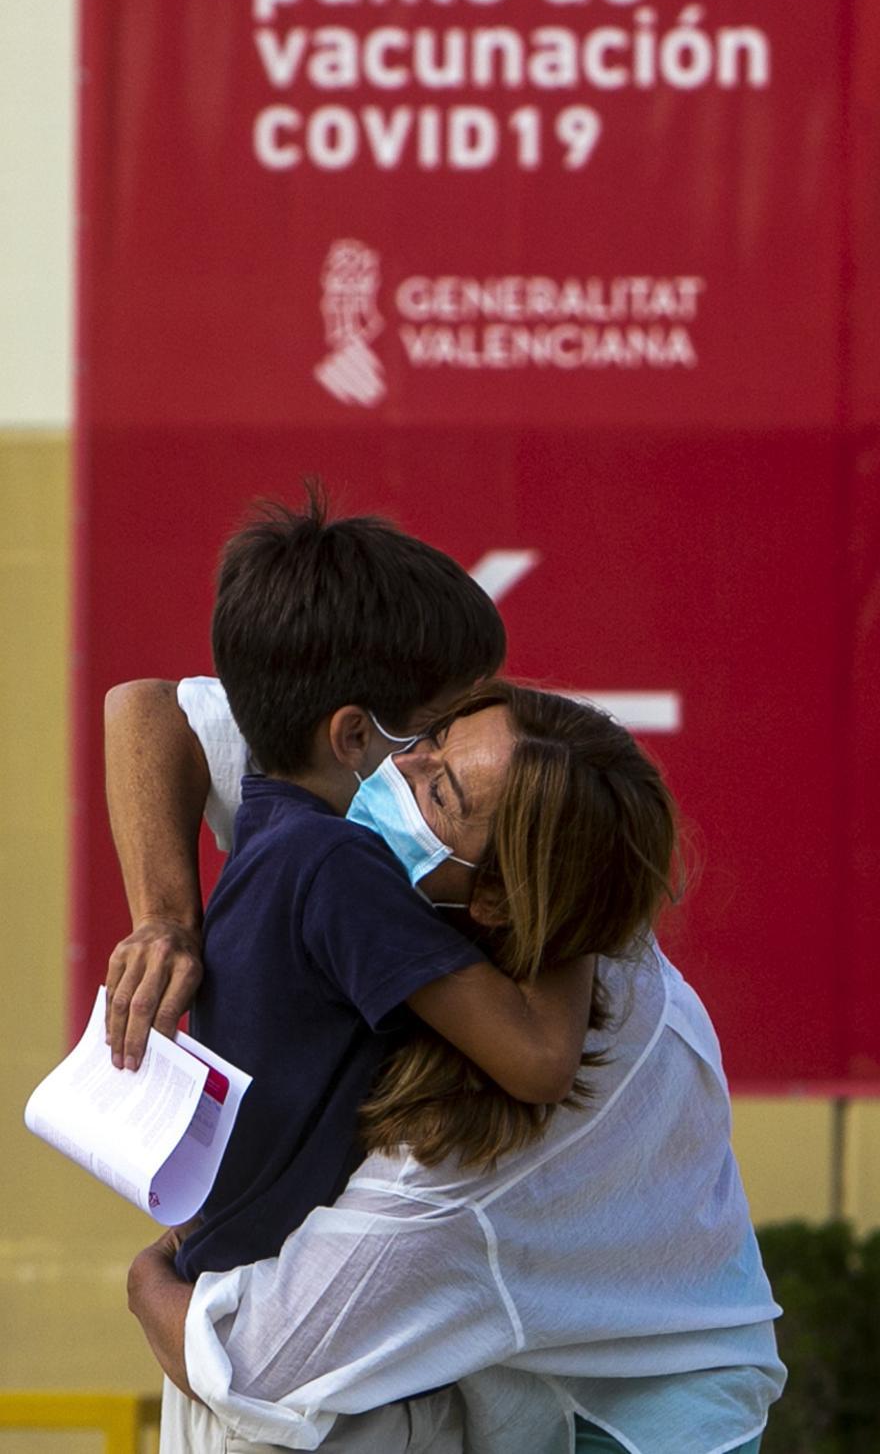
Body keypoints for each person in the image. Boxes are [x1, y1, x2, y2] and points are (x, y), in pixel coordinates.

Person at [126, 681, 785, 1454]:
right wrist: (165, 919)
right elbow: (153, 712)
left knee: (277, 1427)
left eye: (440, 792)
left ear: (501, 901)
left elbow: (256, 1364)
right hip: (566, 1347)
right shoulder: (539, 909)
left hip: (622, 1424)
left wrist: (149, 1279)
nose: (399, 774)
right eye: (430, 738)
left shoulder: (466, 1165)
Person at [125, 497, 596, 1287]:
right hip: (282, 1357)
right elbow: (540, 1059)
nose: (432, 759)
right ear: (354, 737)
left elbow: (139, 705)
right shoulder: (335, 865)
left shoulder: (271, 816)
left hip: (225, 1294)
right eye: (437, 732)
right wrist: (571, 874)